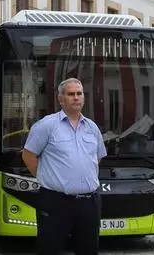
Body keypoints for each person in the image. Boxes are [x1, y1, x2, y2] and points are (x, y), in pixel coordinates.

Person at [22, 77, 106, 255]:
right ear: (61, 99)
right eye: (71, 94)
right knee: (49, 250)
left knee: (89, 250)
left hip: (89, 203)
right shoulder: (46, 125)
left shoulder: (92, 128)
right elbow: (28, 155)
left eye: (79, 93)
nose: (76, 97)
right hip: (56, 202)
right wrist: (48, 178)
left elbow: (96, 159)